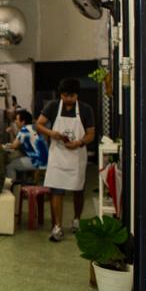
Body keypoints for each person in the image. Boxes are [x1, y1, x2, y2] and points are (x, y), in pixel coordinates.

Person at [35, 78, 95, 242]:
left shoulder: (85, 109)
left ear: (77, 95)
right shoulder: (53, 106)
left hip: (76, 156)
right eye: (65, 95)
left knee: (78, 189)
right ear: (60, 94)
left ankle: (76, 220)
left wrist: (79, 142)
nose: (68, 99)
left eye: (71, 96)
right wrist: (51, 133)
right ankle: (57, 227)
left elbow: (90, 134)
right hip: (58, 156)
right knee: (56, 190)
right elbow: (39, 125)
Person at [5, 109, 49, 181]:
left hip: (38, 161)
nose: (15, 122)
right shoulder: (32, 127)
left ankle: (12, 185)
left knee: (10, 165)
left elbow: (14, 146)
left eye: (17, 119)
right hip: (45, 159)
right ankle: (20, 182)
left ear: (23, 122)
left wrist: (4, 146)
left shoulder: (24, 130)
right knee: (16, 160)